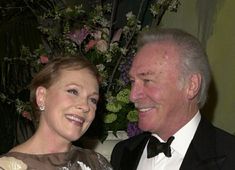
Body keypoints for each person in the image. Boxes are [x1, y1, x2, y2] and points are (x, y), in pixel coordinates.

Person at [110, 28, 235, 170]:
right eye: (132, 81)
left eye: (147, 80)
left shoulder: (230, 157)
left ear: (191, 85)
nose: (132, 96)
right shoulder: (122, 153)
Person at [0, 55, 113, 169]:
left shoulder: (97, 163)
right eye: (73, 91)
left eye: (93, 100)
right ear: (42, 97)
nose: (85, 106)